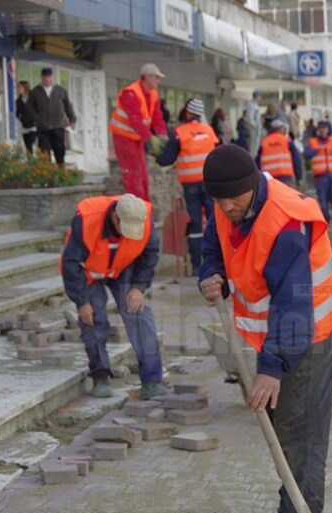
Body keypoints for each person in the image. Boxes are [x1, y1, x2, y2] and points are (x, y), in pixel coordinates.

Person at [197, 144, 332, 513]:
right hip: (281, 330)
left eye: (234, 201)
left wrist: (272, 368)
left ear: (251, 187)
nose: (227, 208)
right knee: (285, 429)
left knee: (301, 435)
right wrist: (210, 276)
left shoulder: (284, 223)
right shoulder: (227, 206)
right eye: (219, 201)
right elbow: (214, 246)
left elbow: (294, 305)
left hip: (309, 330)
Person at [60, 193, 170, 400]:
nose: (130, 235)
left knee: (140, 316)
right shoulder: (86, 220)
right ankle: (100, 376)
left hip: (122, 267)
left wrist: (138, 287)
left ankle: (152, 381)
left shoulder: (142, 218)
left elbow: (150, 254)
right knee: (94, 320)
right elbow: (70, 263)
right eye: (126, 230)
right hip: (89, 272)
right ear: (115, 218)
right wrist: (82, 302)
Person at [155, 98, 220, 272]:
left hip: (190, 185)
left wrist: (154, 153)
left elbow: (166, 159)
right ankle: (220, 259)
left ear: (188, 112)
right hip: (210, 183)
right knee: (216, 221)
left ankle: (197, 265)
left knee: (195, 224)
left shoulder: (179, 132)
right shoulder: (209, 131)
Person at [109, 63, 169, 200]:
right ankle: (137, 207)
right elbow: (135, 120)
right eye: (156, 77)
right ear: (147, 77)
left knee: (142, 174)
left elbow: (157, 117)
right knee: (133, 174)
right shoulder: (130, 93)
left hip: (136, 138)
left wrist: (162, 135)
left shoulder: (152, 94)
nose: (158, 81)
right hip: (123, 138)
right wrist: (150, 138)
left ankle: (144, 207)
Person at [28, 68, 76, 166]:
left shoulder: (60, 90)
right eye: (45, 77)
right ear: (41, 78)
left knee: (59, 149)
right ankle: (47, 173)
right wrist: (36, 119)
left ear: (52, 78)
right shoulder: (36, 91)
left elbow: (67, 105)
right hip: (43, 127)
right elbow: (30, 108)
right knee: (44, 151)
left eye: (49, 77)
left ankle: (60, 171)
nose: (47, 80)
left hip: (58, 124)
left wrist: (72, 119)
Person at [304, 120, 332, 226]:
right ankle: (326, 221)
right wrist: (317, 150)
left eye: (325, 128)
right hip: (320, 176)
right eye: (321, 128)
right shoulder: (313, 142)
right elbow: (307, 154)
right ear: (318, 130)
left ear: (328, 130)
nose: (323, 130)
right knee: (322, 201)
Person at [256, 119, 302, 186]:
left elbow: (257, 163)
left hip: (269, 180)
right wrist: (299, 177)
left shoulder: (264, 143)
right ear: (281, 129)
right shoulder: (287, 141)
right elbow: (296, 159)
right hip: (286, 177)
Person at [15, 81, 37, 155]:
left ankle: (36, 161)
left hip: (34, 126)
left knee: (30, 143)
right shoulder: (18, 101)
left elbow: (39, 109)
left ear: (25, 87)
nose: (18, 89)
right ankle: (30, 162)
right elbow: (17, 113)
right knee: (27, 146)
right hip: (24, 126)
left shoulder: (33, 98)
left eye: (19, 87)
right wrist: (21, 118)